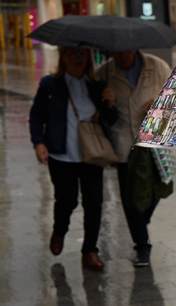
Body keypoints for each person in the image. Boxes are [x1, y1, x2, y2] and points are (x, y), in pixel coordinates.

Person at [29, 46, 118, 272]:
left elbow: (112, 120)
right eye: (72, 53)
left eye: (83, 53)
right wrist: (38, 142)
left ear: (88, 57)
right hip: (61, 154)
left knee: (94, 203)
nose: (78, 58)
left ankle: (90, 250)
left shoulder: (97, 86)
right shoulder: (50, 84)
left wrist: (110, 102)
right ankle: (60, 230)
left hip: (91, 155)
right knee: (66, 200)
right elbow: (36, 115)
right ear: (63, 57)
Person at [96, 50, 172, 267]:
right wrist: (106, 100)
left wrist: (159, 104)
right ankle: (142, 245)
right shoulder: (103, 73)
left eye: (127, 52)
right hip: (123, 146)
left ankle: (141, 223)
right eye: (118, 53)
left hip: (152, 141)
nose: (122, 57)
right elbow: (100, 113)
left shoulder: (157, 66)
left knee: (158, 189)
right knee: (131, 200)